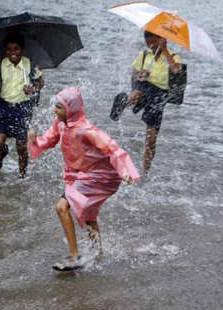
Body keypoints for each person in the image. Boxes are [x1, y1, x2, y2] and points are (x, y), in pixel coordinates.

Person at [28, 87, 141, 271]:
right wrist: (34, 141)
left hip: (99, 176)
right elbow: (48, 140)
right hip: (79, 174)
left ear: (70, 109)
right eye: (56, 106)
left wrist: (125, 171)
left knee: (61, 207)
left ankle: (74, 256)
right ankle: (98, 253)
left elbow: (112, 149)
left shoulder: (86, 130)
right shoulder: (60, 123)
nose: (55, 110)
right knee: (89, 215)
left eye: (59, 107)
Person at [0, 32, 44, 177]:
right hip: (3, 108)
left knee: (21, 147)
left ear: (22, 49)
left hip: (23, 109)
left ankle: (22, 175)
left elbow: (41, 81)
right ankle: (2, 153)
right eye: (9, 50)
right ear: (5, 50)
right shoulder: (0, 65)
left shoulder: (29, 64)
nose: (12, 53)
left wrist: (34, 89)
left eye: (16, 49)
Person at [127, 31, 182, 175]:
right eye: (147, 40)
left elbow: (176, 70)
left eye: (153, 40)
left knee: (151, 138)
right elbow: (133, 76)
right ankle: (125, 103)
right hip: (144, 87)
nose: (149, 43)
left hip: (159, 95)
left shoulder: (173, 56)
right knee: (136, 92)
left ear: (161, 39)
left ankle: (145, 171)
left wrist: (164, 49)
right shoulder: (144, 55)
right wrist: (141, 75)